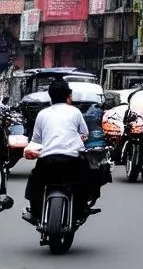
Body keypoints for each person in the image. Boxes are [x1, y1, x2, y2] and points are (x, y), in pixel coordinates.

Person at [23, 79, 102, 225]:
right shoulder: (75, 112)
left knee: (35, 182)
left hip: (47, 160)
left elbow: (36, 140)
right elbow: (84, 135)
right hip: (73, 160)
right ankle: (85, 207)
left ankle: (34, 212)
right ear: (68, 96)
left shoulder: (42, 114)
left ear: (50, 96)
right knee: (88, 178)